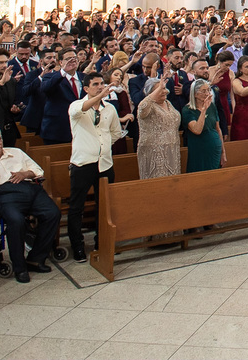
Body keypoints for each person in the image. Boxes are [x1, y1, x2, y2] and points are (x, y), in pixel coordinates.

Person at [0, 124, 61, 283]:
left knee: (53, 213)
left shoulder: (16, 152)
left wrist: (24, 173)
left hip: (28, 188)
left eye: (0, 138)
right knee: (16, 221)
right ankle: (20, 268)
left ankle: (36, 258)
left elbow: (38, 170)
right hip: (3, 194)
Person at [66, 73, 125, 262]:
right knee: (77, 207)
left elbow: (116, 132)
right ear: (86, 88)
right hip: (83, 163)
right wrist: (99, 96)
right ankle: (78, 246)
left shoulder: (110, 109)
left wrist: (104, 146)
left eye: (102, 84)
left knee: (105, 206)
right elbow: (79, 111)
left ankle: (103, 242)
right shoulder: (76, 105)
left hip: (105, 164)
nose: (100, 87)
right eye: (96, 84)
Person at [136, 76, 181, 180]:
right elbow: (142, 108)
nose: (165, 91)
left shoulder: (168, 103)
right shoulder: (147, 106)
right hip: (154, 153)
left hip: (172, 151)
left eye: (164, 88)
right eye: (160, 89)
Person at [39, 48, 82, 144]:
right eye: (68, 59)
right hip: (57, 130)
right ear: (60, 62)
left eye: (74, 58)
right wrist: (63, 72)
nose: (72, 61)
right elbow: (45, 88)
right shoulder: (50, 76)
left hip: (81, 129)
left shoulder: (84, 77)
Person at [183, 79, 226, 172]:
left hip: (214, 149)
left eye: (208, 90)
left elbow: (218, 129)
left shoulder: (212, 106)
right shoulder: (187, 110)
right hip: (199, 150)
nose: (207, 93)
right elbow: (197, 130)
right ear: (195, 94)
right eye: (203, 91)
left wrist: (223, 153)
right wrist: (203, 110)